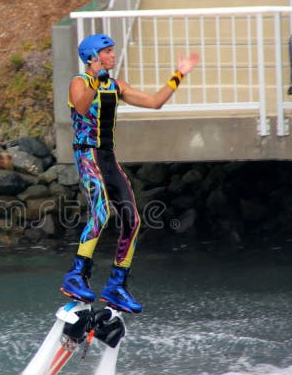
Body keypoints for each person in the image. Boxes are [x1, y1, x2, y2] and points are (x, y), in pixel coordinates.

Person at [60, 34, 199, 313]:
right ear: (93, 57)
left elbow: (154, 102)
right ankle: (77, 275)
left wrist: (178, 75)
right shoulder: (80, 82)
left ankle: (116, 285)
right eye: (107, 52)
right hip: (87, 154)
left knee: (132, 220)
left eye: (112, 51)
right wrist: (96, 78)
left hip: (108, 159)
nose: (113, 55)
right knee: (101, 213)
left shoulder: (116, 85)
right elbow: (82, 106)